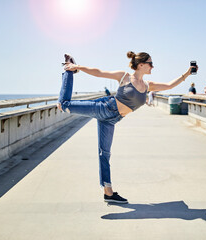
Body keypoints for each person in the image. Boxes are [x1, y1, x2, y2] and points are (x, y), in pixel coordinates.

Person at [57, 51, 198, 204]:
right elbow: (99, 72)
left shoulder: (147, 86)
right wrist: (76, 66)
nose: (153, 66)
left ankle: (108, 192)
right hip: (104, 107)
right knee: (64, 105)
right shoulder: (125, 77)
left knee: (104, 153)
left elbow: (170, 85)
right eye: (150, 63)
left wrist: (187, 73)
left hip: (112, 120)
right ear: (141, 65)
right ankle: (68, 69)